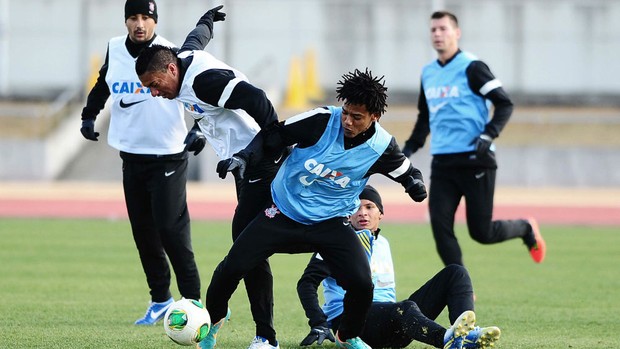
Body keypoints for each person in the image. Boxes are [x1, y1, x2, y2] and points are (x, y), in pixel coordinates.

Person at [201, 68, 429, 349]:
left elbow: (408, 172)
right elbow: (273, 134)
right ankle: (213, 322)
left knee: (362, 284)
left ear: (374, 117)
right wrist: (245, 157)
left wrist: (416, 186)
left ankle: (347, 335)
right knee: (231, 268)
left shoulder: (382, 147)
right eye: (346, 112)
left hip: (331, 222)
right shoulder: (321, 120)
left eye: (356, 117)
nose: (347, 120)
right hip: (284, 212)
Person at [134, 13, 288, 347]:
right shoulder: (182, 61)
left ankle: (263, 336)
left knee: (249, 246)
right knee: (249, 245)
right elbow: (197, 39)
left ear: (170, 69)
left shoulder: (204, 81)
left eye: (154, 85)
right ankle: (228, 318)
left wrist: (266, 149)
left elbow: (258, 100)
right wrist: (207, 21)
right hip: (244, 166)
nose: (154, 93)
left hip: (261, 163)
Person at [79, 0, 225, 325]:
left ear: (155, 20)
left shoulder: (170, 52)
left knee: (171, 231)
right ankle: (160, 300)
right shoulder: (114, 48)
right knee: (143, 233)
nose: (139, 24)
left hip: (168, 155)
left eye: (146, 17)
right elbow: (104, 83)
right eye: (133, 17)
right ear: (126, 21)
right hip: (131, 155)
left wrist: (199, 129)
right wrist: (90, 115)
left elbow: (198, 91)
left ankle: (193, 301)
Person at [401, 11, 546, 267]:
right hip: (443, 162)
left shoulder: (473, 67)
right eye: (433, 30)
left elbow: (505, 103)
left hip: (476, 160)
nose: (437, 34)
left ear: (456, 33)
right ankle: (461, 288)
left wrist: (489, 133)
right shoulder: (428, 73)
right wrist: (409, 148)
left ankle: (525, 228)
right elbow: (425, 117)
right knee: (439, 227)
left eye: (443, 29)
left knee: (481, 233)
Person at [297, 185, 501, 349]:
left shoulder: (382, 242)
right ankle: (447, 340)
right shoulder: (336, 244)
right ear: (346, 214)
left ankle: (467, 333)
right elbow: (307, 283)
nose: (362, 213)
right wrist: (319, 322)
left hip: (389, 322)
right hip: (351, 323)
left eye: (369, 207)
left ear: (381, 214)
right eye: (355, 207)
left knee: (456, 272)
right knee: (406, 308)